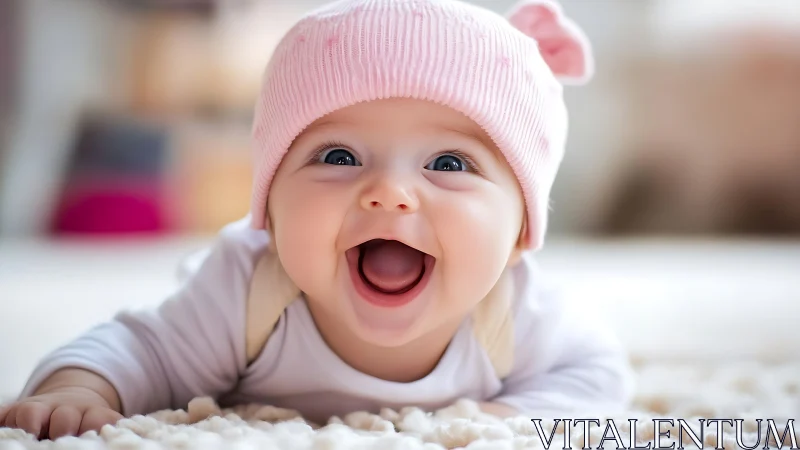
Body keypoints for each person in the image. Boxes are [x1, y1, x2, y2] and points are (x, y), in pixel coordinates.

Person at [1, 0, 634, 440]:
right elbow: (139, 350)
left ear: (521, 233)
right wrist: (79, 390)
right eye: (338, 156)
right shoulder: (250, 291)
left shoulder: (516, 313)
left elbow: (597, 379)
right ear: (269, 212)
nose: (389, 194)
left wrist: (513, 420)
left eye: (448, 162)